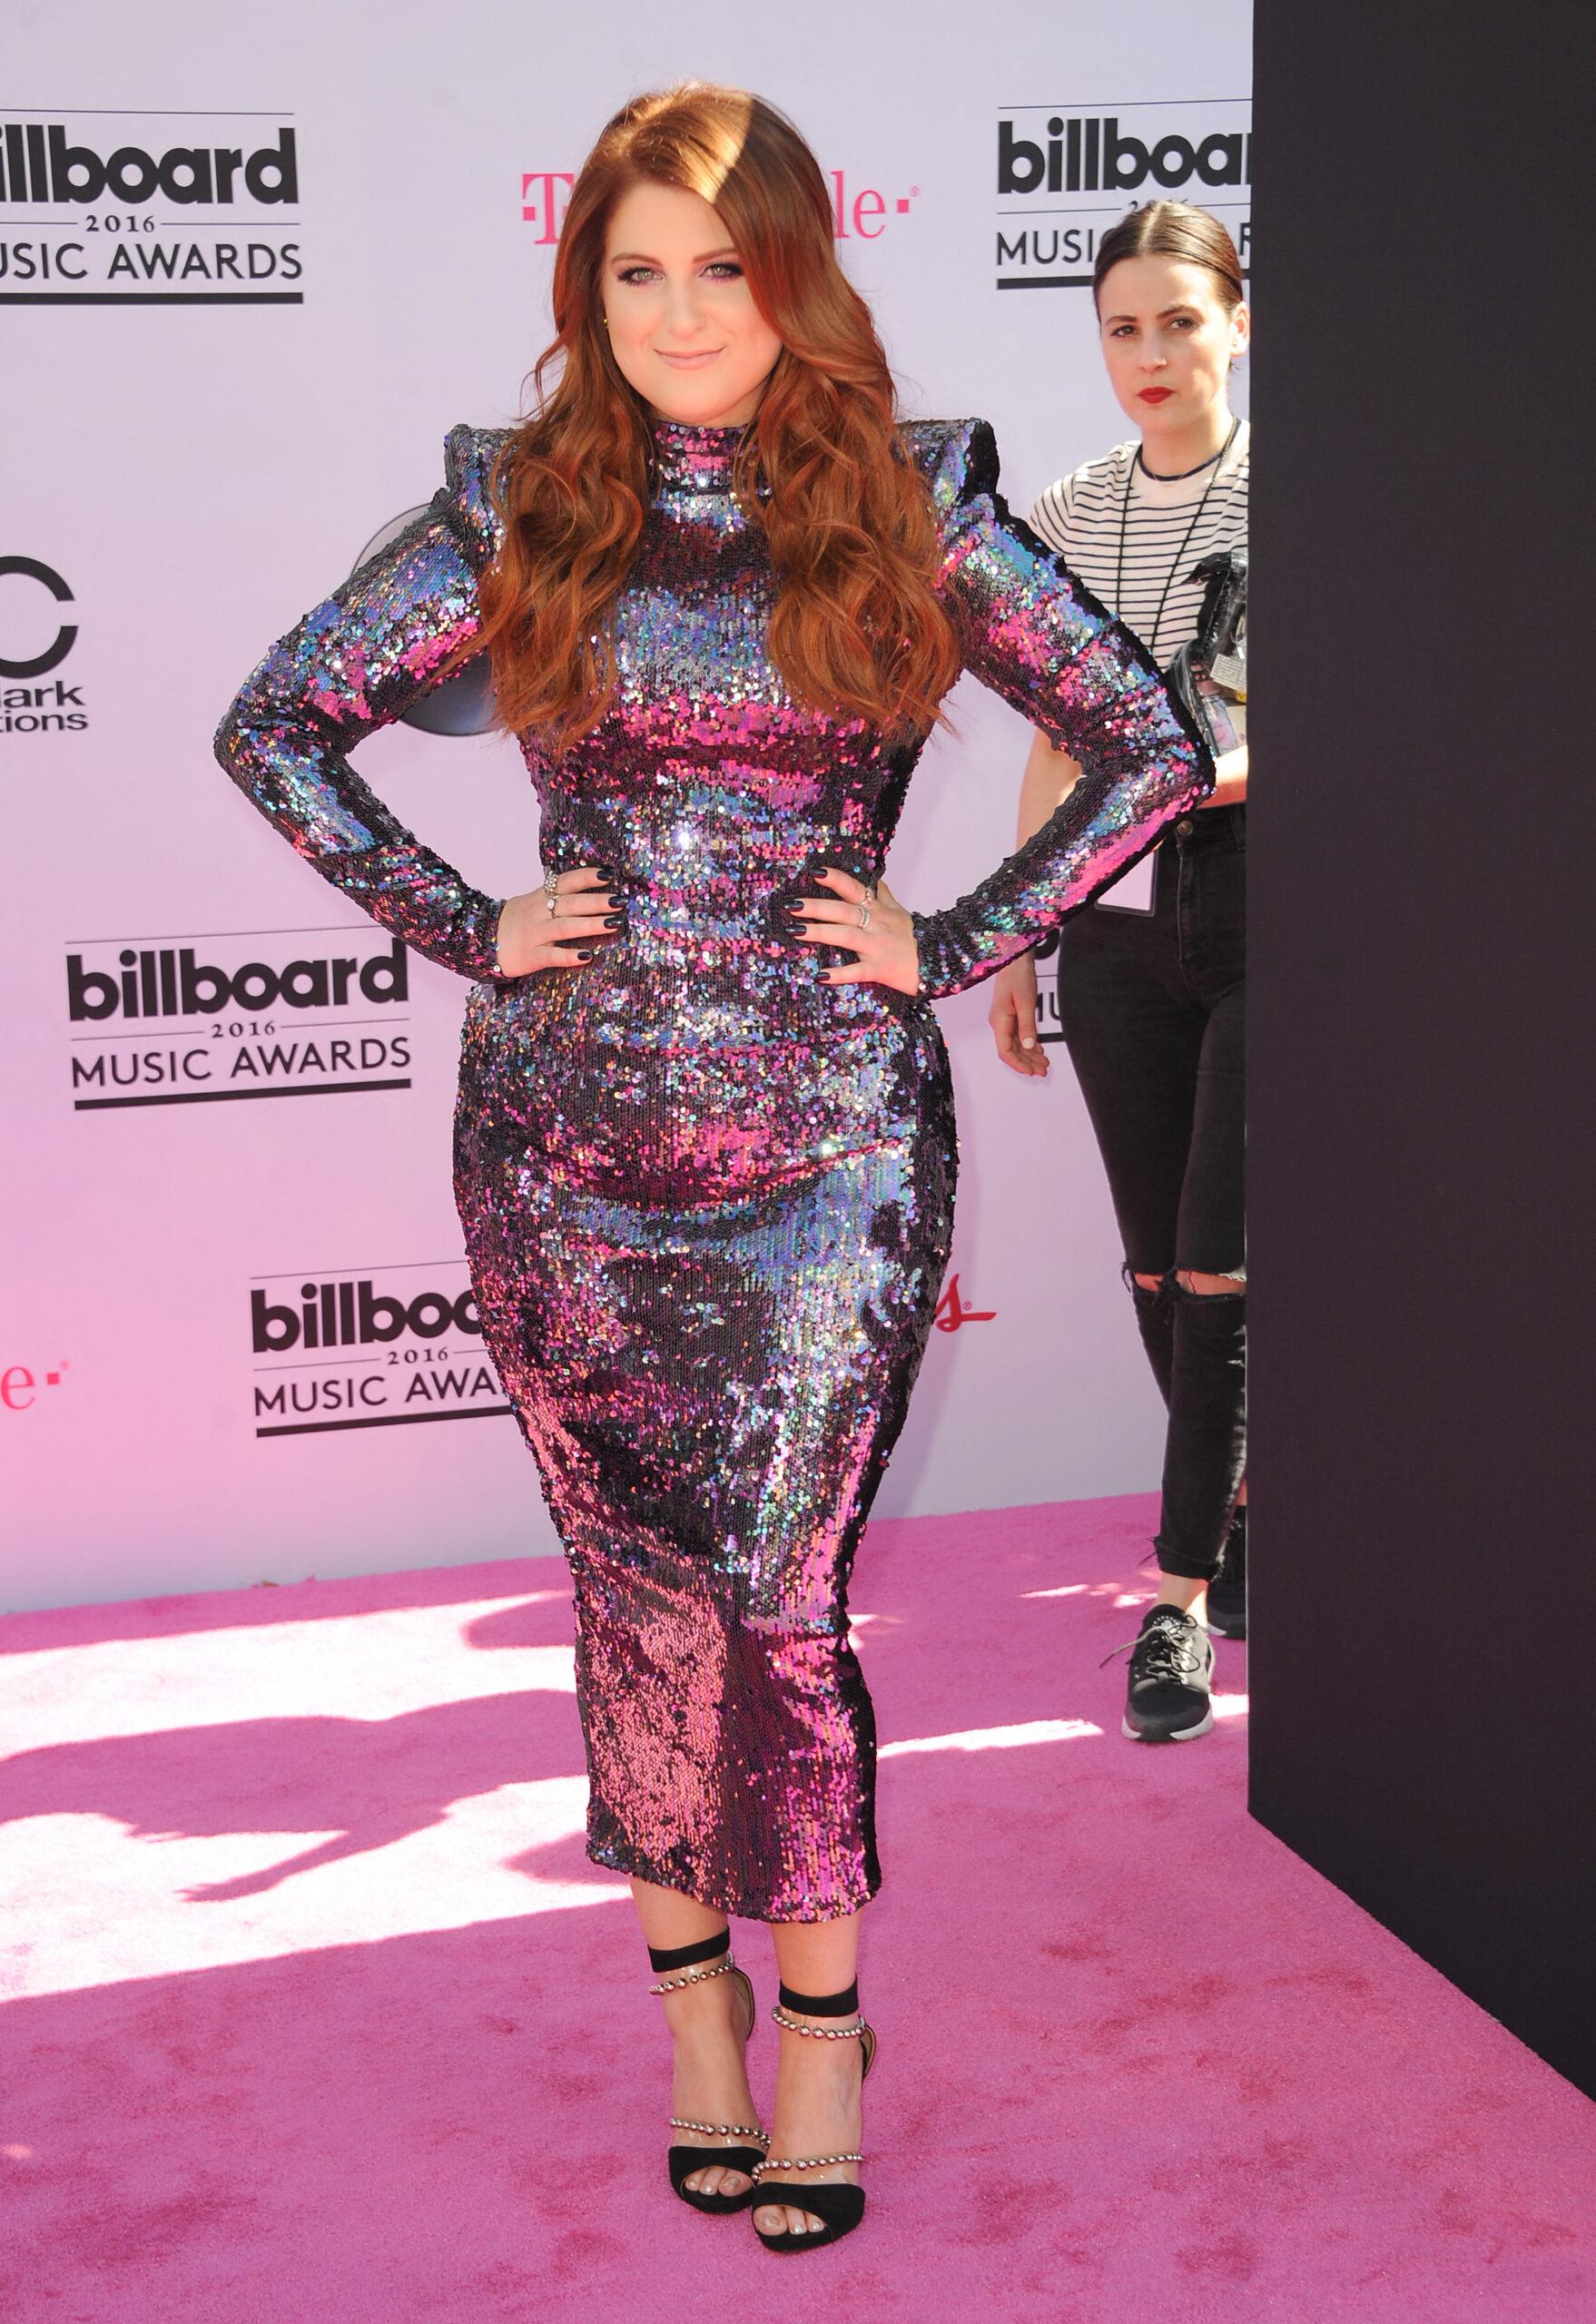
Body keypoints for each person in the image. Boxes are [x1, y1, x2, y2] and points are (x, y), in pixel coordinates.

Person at [215, 87, 1209, 2253]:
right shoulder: (518, 505)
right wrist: (465, 918)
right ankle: (693, 2027)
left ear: (796, 276)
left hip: (834, 1145)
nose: (680, 309)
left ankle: (827, 2036)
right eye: (635, 268)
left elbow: (1153, 737)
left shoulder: (906, 504)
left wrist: (955, 941)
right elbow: (276, 715)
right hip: (563, 1154)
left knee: (781, 1601)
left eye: (722, 265)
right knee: (642, 1606)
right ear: (589, 283)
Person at [989, 201, 1250, 1741]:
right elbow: (1048, 734)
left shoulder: (1308, 480)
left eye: (1176, 319)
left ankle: (1175, 1606)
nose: (1148, 354)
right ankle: (1243, 1535)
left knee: (1223, 1259)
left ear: (1239, 319)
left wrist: (1199, 770)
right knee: (1156, 1265)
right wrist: (1026, 927)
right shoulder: (1078, 508)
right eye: (1119, 328)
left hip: (1266, 897)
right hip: (1108, 919)